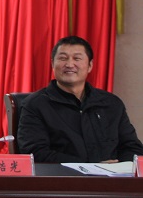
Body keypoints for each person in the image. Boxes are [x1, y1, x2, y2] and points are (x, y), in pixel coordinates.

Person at [17, 35, 143, 163]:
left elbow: (132, 148)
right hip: (62, 175)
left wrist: (118, 167)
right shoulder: (36, 104)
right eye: (63, 58)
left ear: (90, 65)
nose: (69, 64)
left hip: (114, 175)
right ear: (52, 64)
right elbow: (36, 153)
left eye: (77, 58)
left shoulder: (111, 103)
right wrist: (90, 167)